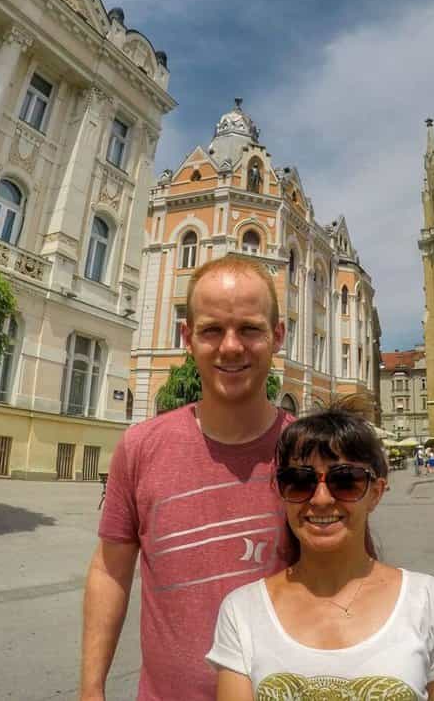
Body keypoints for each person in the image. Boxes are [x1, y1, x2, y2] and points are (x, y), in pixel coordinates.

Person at [81, 255, 291, 701]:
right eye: (212, 330)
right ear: (187, 338)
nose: (230, 347)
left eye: (250, 329)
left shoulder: (309, 453)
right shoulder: (141, 447)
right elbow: (110, 569)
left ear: (277, 336)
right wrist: (91, 689)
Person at [208, 404, 434, 699]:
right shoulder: (242, 612)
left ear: (375, 493)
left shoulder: (428, 602)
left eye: (345, 481)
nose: (321, 499)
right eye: (299, 481)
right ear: (280, 491)